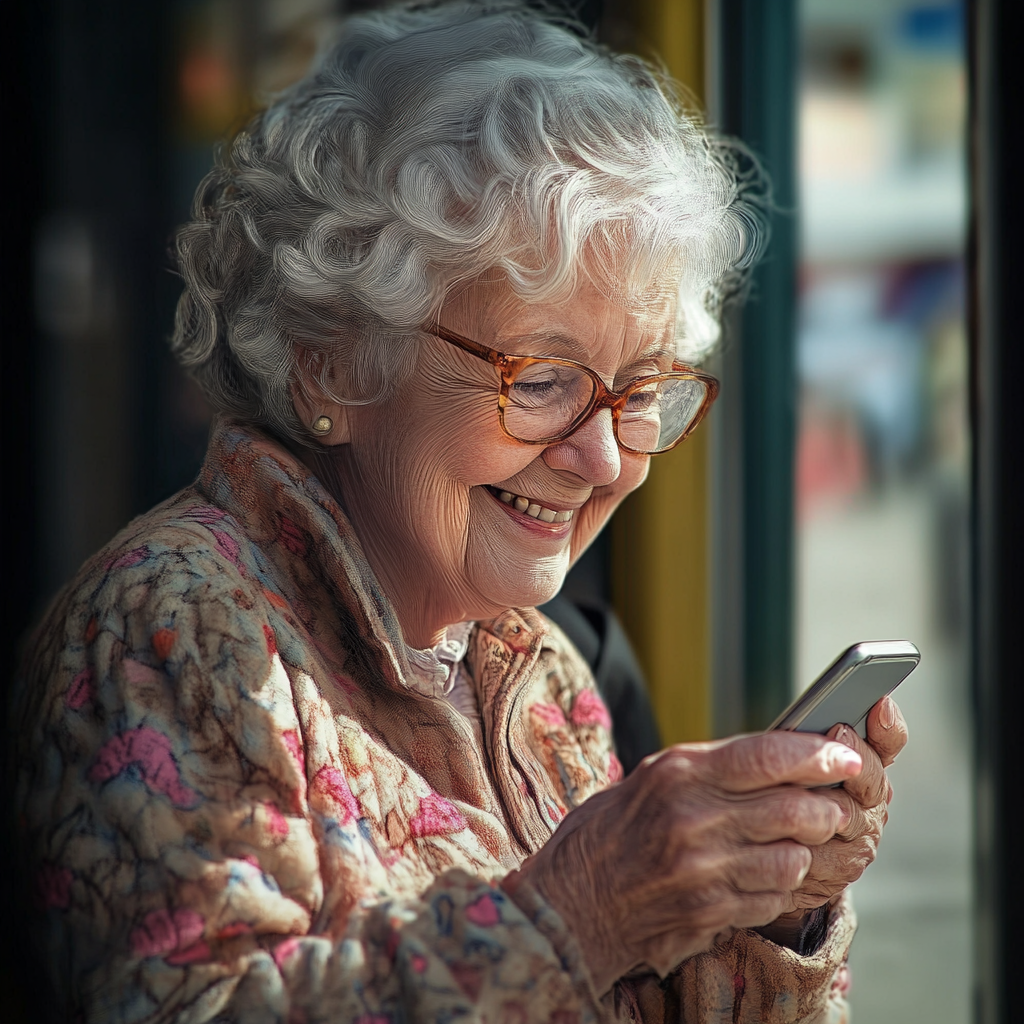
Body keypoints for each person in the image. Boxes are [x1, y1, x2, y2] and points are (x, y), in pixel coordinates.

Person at [10, 3, 907, 1022]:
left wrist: (772, 903)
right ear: (332, 360)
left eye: (642, 388)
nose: (603, 452)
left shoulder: (537, 665)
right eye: (541, 380)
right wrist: (582, 908)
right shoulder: (170, 628)